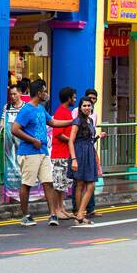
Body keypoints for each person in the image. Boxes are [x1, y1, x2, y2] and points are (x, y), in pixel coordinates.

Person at [12, 79, 57, 227]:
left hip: (43, 151)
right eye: (44, 91)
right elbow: (15, 129)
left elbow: (53, 123)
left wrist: (73, 121)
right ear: (39, 93)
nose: (46, 94)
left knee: (48, 182)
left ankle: (53, 215)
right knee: (27, 184)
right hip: (29, 152)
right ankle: (25, 215)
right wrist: (32, 140)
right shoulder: (26, 109)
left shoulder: (40, 109)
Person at [48, 87, 78, 225]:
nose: (75, 99)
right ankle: (56, 209)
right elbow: (59, 134)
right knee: (58, 183)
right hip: (59, 153)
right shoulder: (61, 112)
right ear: (69, 98)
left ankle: (61, 207)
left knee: (63, 184)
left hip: (65, 153)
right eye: (74, 97)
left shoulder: (66, 112)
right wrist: (71, 140)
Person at [70, 97, 100, 225]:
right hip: (80, 154)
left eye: (89, 105)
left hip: (89, 153)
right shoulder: (77, 121)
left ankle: (80, 214)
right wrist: (74, 159)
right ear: (80, 108)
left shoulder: (91, 120)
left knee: (91, 185)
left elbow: (89, 139)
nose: (87, 108)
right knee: (80, 184)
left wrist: (98, 136)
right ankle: (79, 214)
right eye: (84, 106)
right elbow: (71, 141)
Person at [0, 79, 27, 198]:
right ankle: (12, 189)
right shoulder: (7, 106)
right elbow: (2, 120)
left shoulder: (26, 107)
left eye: (15, 94)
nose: (13, 96)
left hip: (22, 139)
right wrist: (1, 128)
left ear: (20, 93)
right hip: (9, 140)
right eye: (11, 94)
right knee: (11, 162)